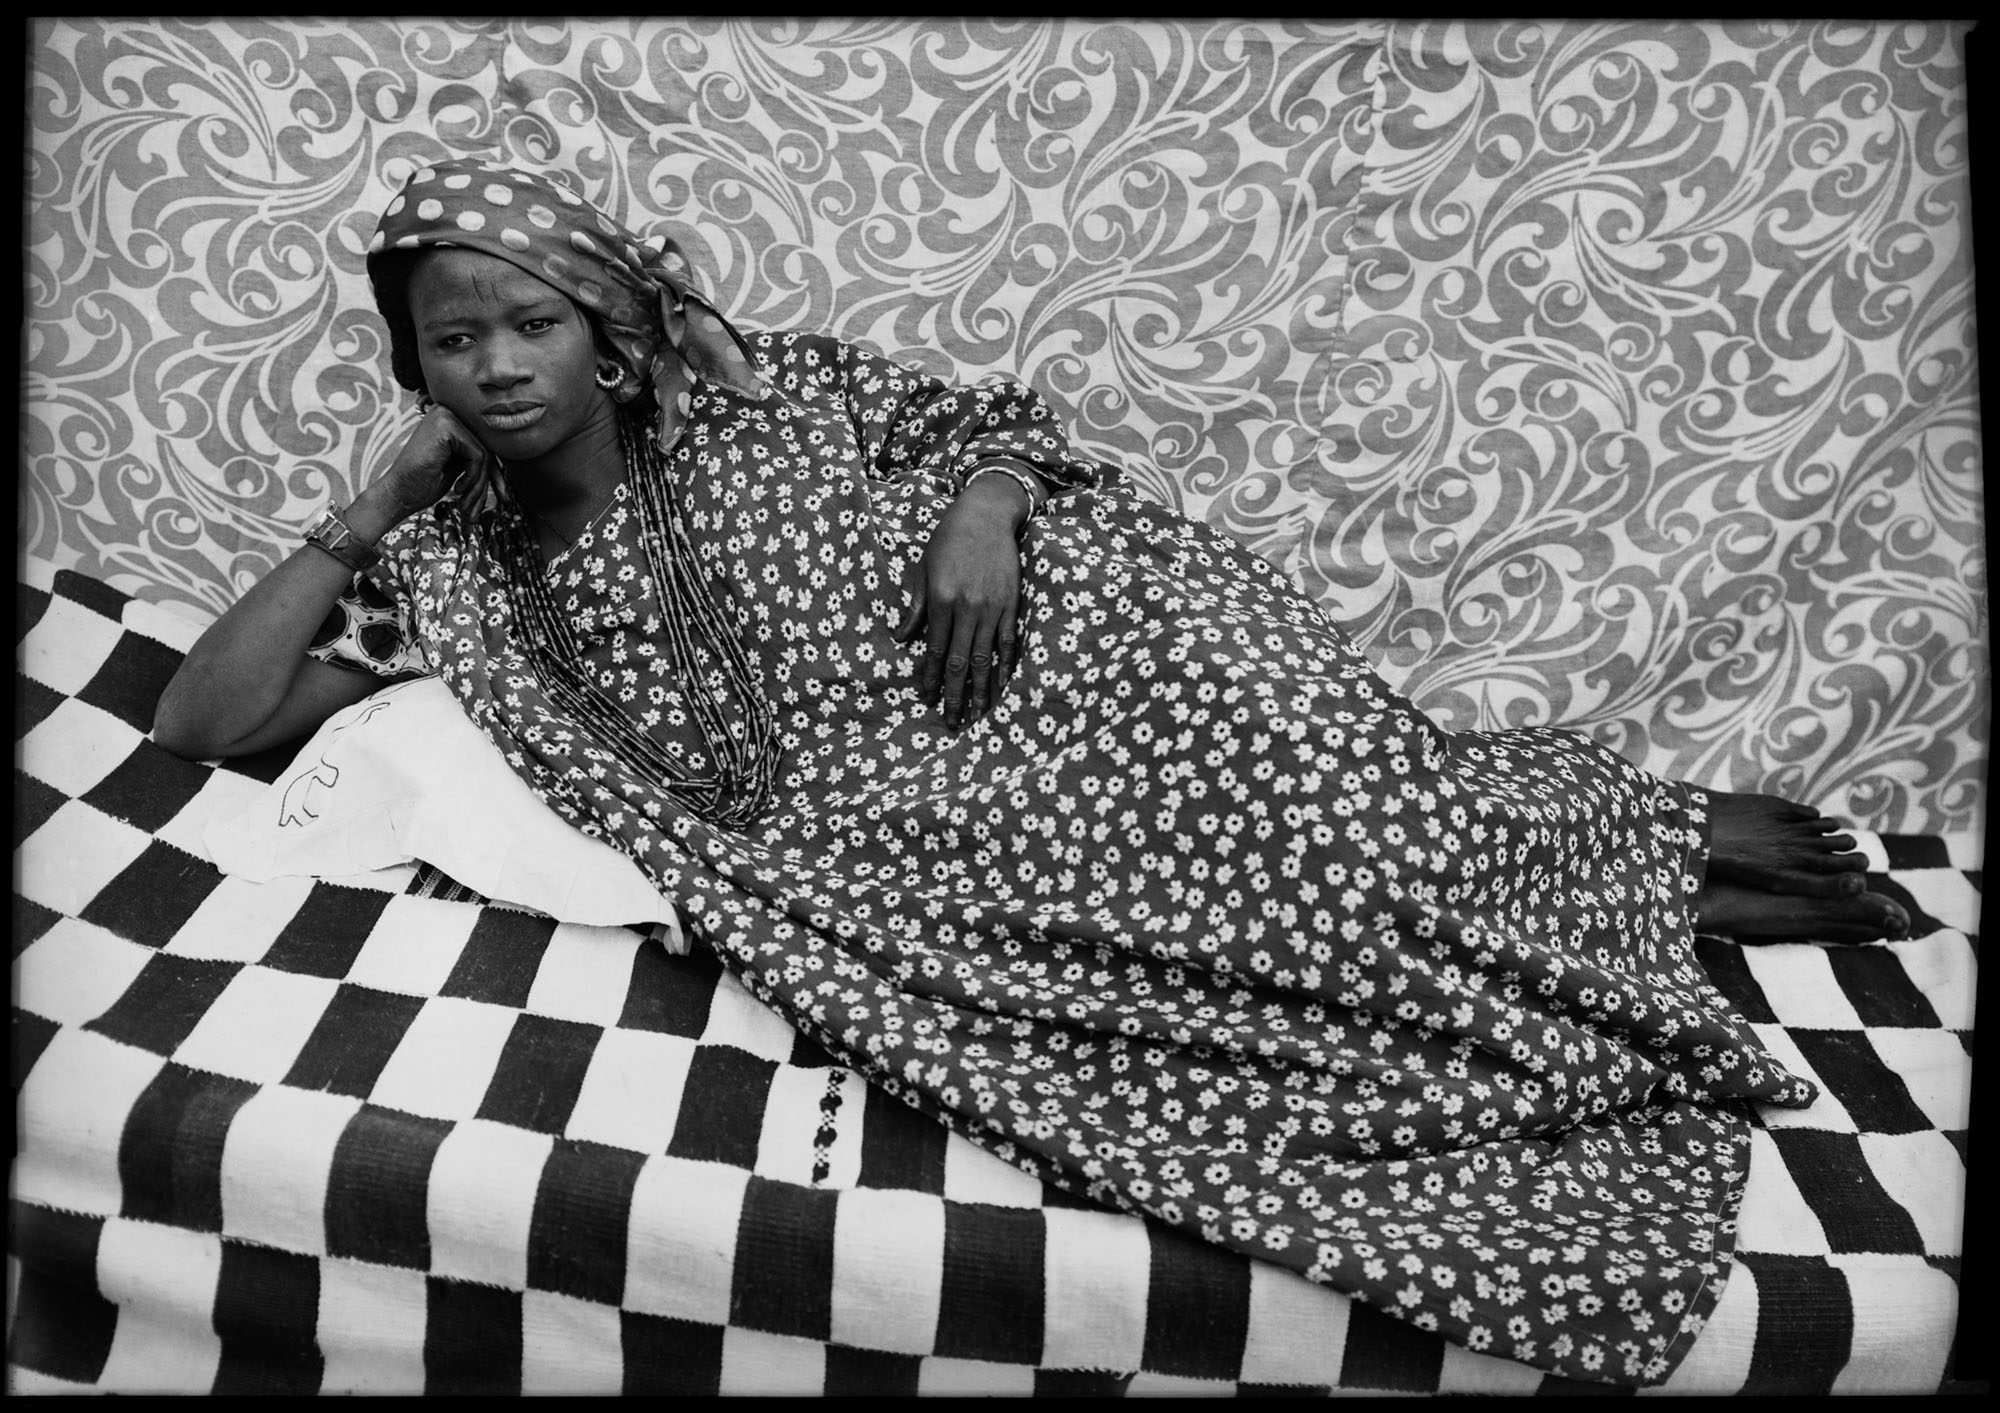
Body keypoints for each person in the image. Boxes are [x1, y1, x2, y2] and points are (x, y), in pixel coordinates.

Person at [153, 157, 1910, 1384]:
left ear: (600, 322)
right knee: (1189, 932)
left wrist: (983, 510)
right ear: (416, 363)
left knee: (1300, 780)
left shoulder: (769, 398)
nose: (495, 366)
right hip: (879, 816)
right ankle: (1629, 889)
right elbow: (203, 722)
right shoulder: (453, 560)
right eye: (450, 338)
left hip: (1062, 646)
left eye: (523, 323)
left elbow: (992, 417)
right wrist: (366, 508)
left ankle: (1620, 849)